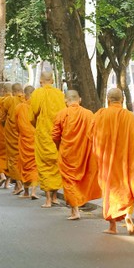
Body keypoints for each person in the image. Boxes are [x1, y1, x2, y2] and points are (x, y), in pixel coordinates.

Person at [92, 88, 134, 234]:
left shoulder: (100, 115)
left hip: (107, 161)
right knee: (126, 189)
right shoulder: (129, 116)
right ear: (123, 100)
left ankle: (112, 227)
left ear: (108, 100)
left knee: (110, 191)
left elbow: (92, 136)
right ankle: (127, 214)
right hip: (125, 160)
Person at [51, 90, 102, 220]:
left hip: (67, 153)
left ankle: (75, 210)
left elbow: (55, 135)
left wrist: (59, 147)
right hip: (84, 153)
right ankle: (79, 202)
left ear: (66, 101)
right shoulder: (89, 114)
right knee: (83, 177)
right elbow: (94, 133)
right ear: (79, 100)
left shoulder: (62, 114)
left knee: (69, 180)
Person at [29, 65, 65, 208]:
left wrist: (37, 125)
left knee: (44, 166)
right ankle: (55, 196)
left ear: (41, 81)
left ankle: (48, 200)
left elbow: (32, 116)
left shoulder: (37, 94)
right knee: (55, 165)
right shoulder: (60, 95)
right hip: (57, 136)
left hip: (44, 135)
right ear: (52, 80)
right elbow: (63, 115)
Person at [12, 85, 40, 198]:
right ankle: (33, 191)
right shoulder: (37, 106)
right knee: (34, 165)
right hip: (35, 138)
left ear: (25, 94)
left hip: (24, 139)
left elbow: (16, 125)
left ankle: (26, 192)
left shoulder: (19, 107)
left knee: (24, 164)